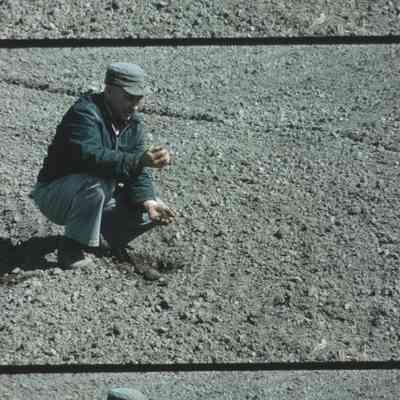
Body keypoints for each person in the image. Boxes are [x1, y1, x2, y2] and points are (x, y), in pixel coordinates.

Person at [30, 62, 176, 280]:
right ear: (108, 90)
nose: (135, 106)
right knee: (98, 181)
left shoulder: (133, 124)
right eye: (129, 98)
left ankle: (100, 237)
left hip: (89, 194)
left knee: (151, 206)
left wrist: (149, 201)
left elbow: (137, 170)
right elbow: (92, 158)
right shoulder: (84, 113)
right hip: (56, 194)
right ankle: (71, 248)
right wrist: (139, 160)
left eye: (139, 99)